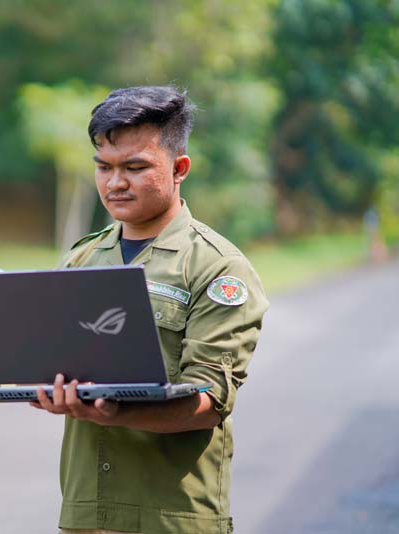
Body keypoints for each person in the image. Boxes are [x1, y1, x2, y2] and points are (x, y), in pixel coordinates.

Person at [31, 86, 269, 534]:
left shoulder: (216, 266)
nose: (115, 183)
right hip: (85, 514)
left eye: (135, 167)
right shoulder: (81, 259)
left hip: (171, 518)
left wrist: (114, 412)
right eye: (103, 167)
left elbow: (208, 402)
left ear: (179, 169)